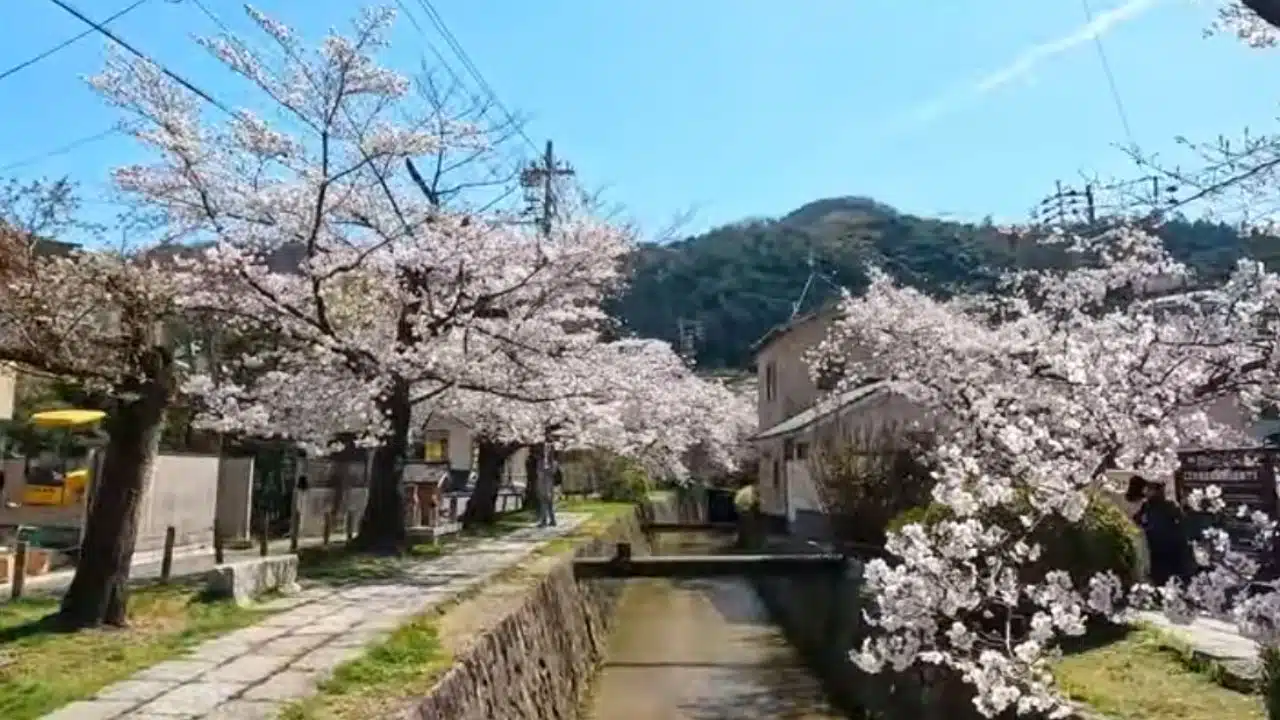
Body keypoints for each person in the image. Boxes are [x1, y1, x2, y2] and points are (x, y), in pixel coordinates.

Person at [1133, 478, 1189, 587]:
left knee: (1172, 578)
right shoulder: (1147, 506)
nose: (1147, 492)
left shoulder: (1169, 505)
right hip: (1155, 549)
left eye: (1150, 490)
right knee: (1159, 578)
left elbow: (1182, 522)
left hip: (1171, 549)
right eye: (1147, 490)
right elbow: (1136, 520)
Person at [536, 440, 558, 528]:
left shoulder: (553, 463)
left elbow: (552, 472)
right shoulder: (540, 462)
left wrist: (545, 471)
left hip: (548, 485)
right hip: (542, 484)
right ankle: (550, 520)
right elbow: (538, 472)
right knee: (546, 503)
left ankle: (545, 521)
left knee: (547, 503)